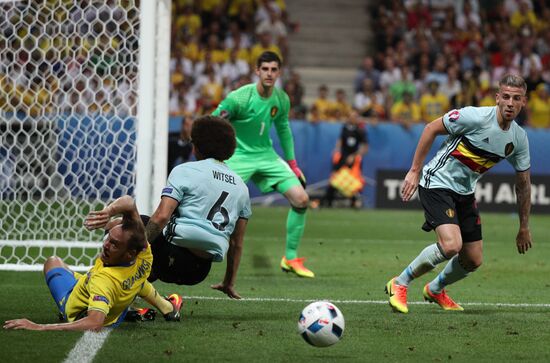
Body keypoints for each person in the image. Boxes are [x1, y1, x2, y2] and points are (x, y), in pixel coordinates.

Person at [385, 74, 533, 314]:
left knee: (473, 259)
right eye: (505, 97)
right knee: (452, 245)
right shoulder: (474, 116)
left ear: (523, 102)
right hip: (437, 182)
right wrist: (414, 171)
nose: (510, 103)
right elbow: (431, 128)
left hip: (465, 192)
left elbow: (523, 184)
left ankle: (435, 289)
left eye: (516, 98)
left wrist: (524, 226)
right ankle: (400, 283)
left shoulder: (519, 139)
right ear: (497, 98)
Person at [3, 195, 181, 330]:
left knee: (52, 262)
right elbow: (128, 201)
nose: (105, 245)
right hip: (118, 296)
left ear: (129, 253)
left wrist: (39, 327)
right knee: (136, 279)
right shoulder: (144, 252)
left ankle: (126, 308)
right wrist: (108, 212)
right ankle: (167, 307)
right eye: (108, 238)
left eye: (114, 244)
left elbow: (94, 323)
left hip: (80, 308)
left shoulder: (103, 281)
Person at [212, 51, 313, 278]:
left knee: (301, 199)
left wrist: (293, 165)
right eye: (265, 69)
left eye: (273, 69)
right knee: (218, 199)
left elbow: (284, 130)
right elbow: (214, 121)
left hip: (267, 156)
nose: (269, 73)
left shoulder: (281, 99)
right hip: (238, 156)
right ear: (257, 71)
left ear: (279, 72)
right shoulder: (239, 98)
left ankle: (290, 257)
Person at [145, 115, 252, 298]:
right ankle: (151, 294)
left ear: (196, 146)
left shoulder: (185, 171)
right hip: (199, 271)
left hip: (171, 256)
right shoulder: (242, 186)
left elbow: (161, 217)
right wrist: (228, 282)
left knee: (129, 225)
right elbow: (236, 243)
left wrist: (136, 247)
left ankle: (107, 288)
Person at [322, 111, 369, 208]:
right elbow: (340, 141)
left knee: (354, 181)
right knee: (335, 178)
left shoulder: (360, 130)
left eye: (355, 117)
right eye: (351, 117)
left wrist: (354, 156)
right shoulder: (344, 128)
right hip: (343, 157)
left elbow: (365, 147)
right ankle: (327, 202)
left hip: (354, 160)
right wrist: (337, 150)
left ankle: (355, 203)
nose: (353, 119)